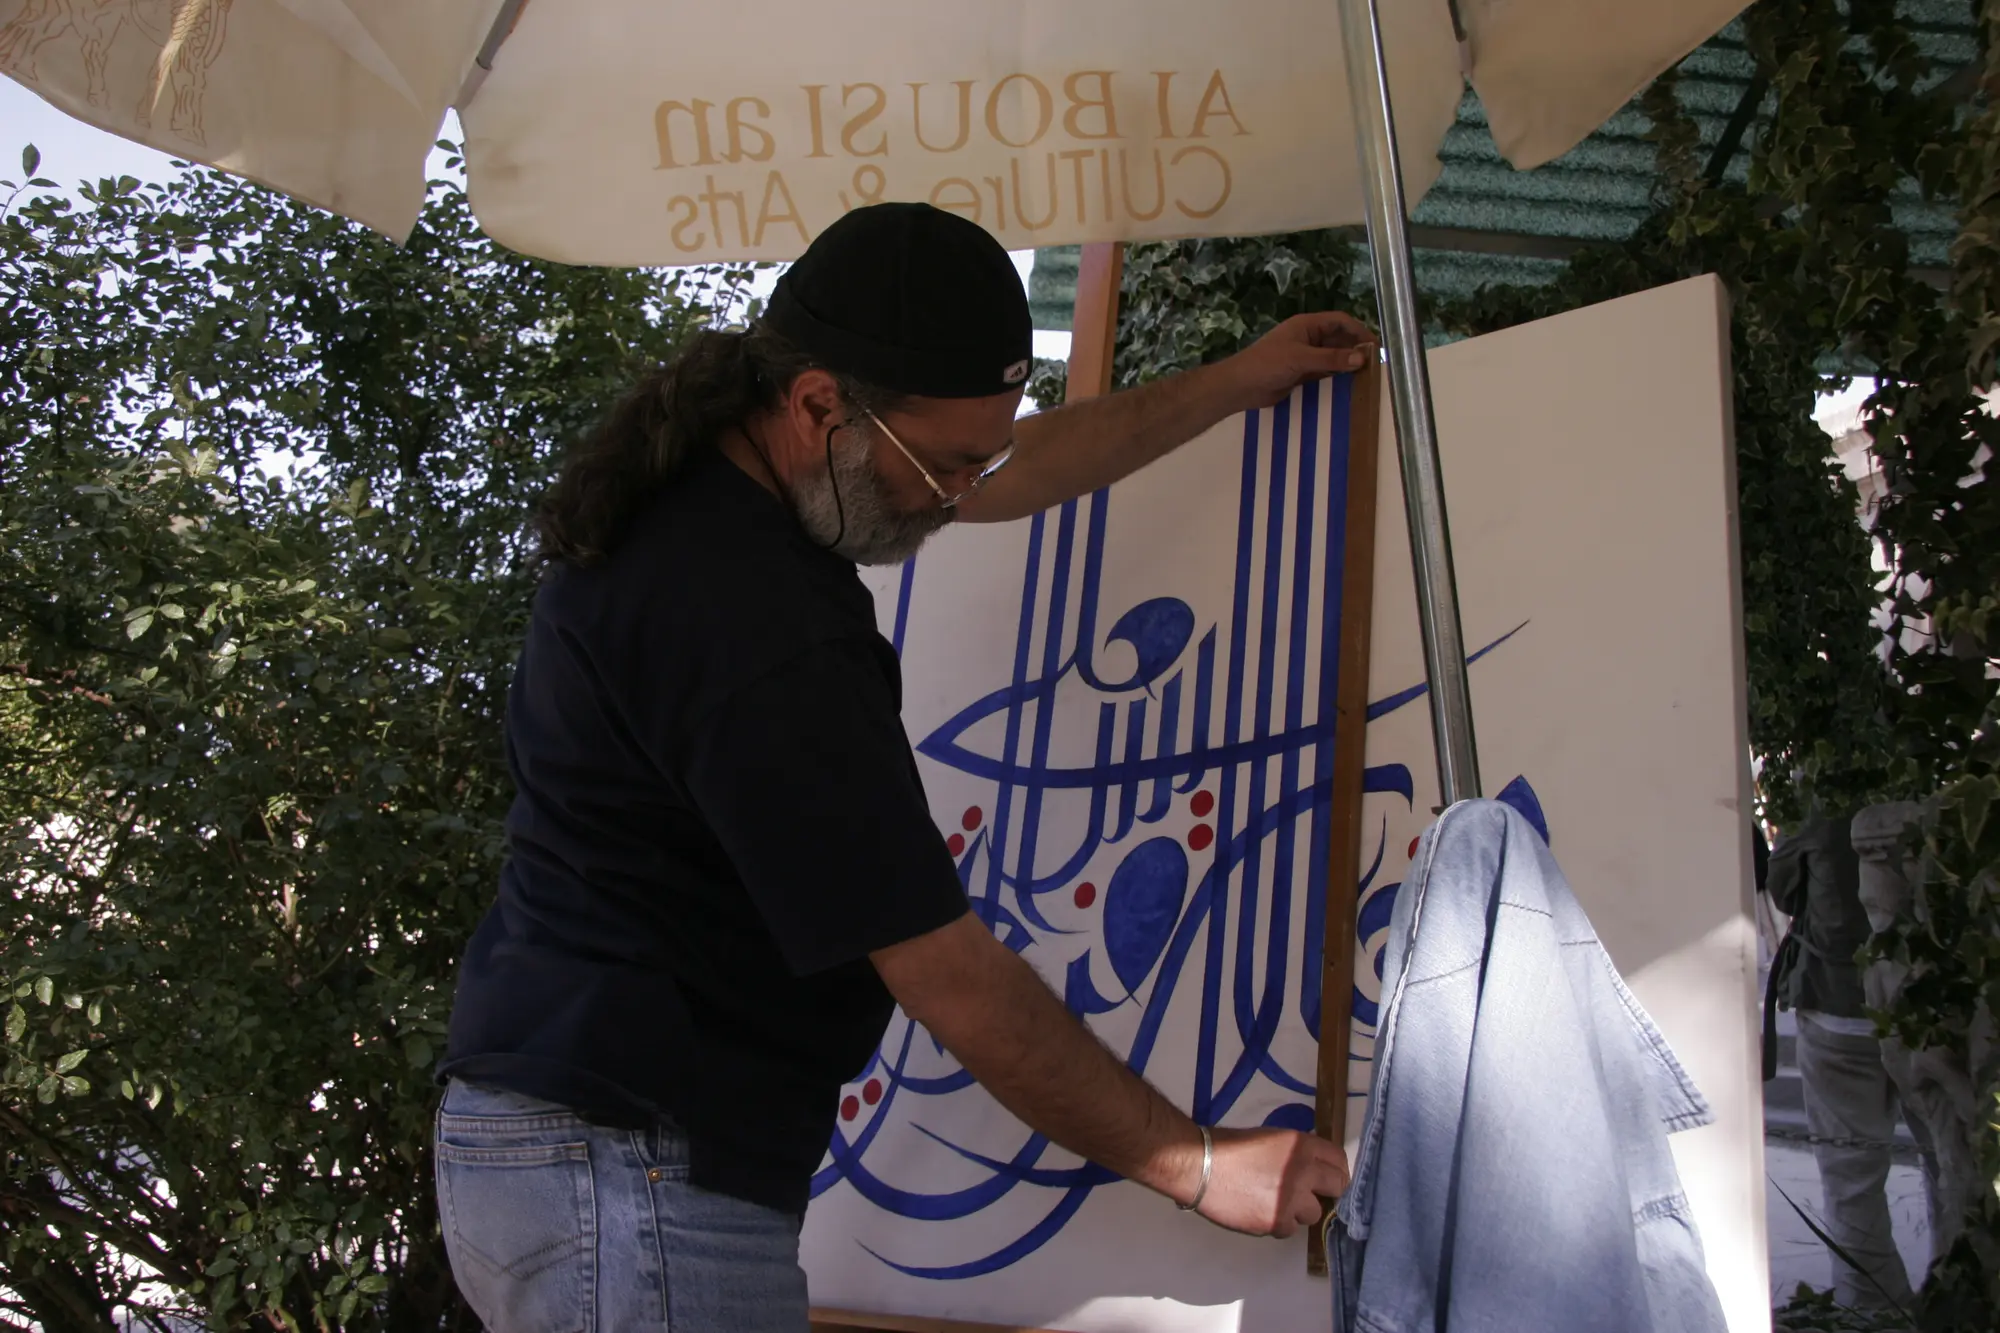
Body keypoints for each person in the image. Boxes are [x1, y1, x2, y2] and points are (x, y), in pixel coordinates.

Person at [433, 202, 1374, 1333]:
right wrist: (1195, 1160)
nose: (957, 498)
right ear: (817, 405)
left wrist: (1236, 380)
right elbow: (945, 972)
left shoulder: (716, 497)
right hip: (632, 1175)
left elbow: (1015, 464)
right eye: (943, 467)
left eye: (975, 463)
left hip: (583, 1152)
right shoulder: (754, 624)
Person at [1766, 810, 1920, 1308]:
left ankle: (1873, 1308)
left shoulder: (1823, 802)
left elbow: (1783, 888)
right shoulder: (1939, 784)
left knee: (1852, 1177)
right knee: (1950, 1163)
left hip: (1840, 1004)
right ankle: (1961, 1293)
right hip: (1929, 1007)